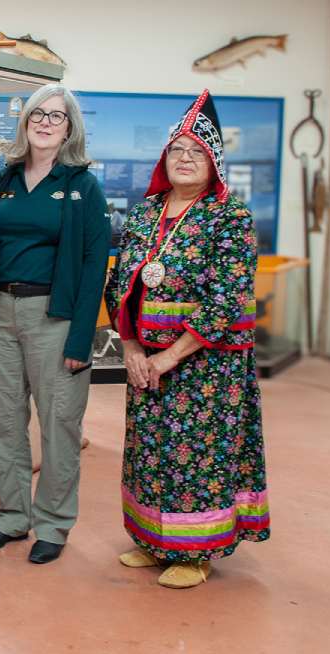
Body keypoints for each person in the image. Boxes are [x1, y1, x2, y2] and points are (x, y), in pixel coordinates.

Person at [102, 90, 269, 589]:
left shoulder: (229, 218)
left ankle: (195, 552)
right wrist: (133, 350)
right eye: (177, 149)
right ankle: (155, 543)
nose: (185, 158)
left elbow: (227, 298)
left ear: (214, 161)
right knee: (150, 451)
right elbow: (120, 287)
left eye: (196, 151)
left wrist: (169, 357)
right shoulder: (144, 213)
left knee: (196, 454)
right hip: (146, 359)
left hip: (205, 365)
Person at [0, 83, 109, 565]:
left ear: (70, 129)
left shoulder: (83, 186)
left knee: (59, 422)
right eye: (37, 114)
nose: (46, 122)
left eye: (57, 117)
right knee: (0, 420)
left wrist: (84, 337)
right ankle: (11, 517)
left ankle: (53, 524)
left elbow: (93, 267)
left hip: (56, 318)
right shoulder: (2, 178)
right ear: (25, 122)